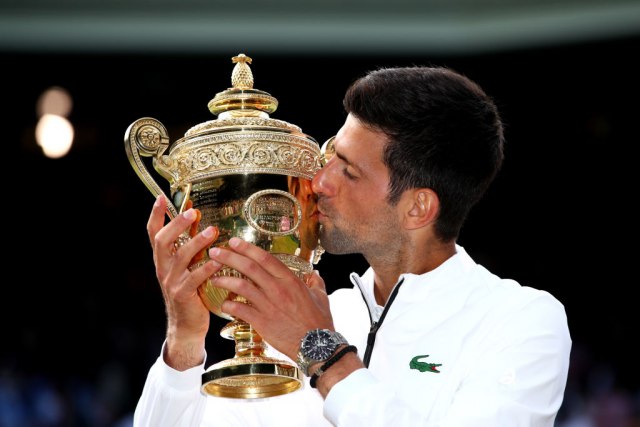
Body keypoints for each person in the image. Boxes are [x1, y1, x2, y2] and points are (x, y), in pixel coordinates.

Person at [134, 65, 571, 426]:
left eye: (348, 171)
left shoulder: (521, 322)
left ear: (417, 208)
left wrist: (320, 350)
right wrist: (184, 342)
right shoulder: (300, 317)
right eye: (330, 158)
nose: (318, 183)